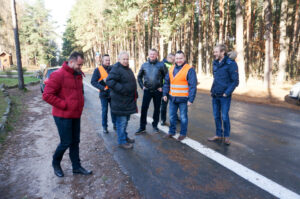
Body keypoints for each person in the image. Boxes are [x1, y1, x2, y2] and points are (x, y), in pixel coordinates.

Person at [42, 52, 92, 177]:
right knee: (66, 142)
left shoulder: (77, 74)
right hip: (62, 115)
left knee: (75, 141)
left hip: (75, 114)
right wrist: (65, 105)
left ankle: (76, 167)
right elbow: (47, 95)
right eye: (79, 64)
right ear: (71, 62)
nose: (81, 67)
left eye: (82, 65)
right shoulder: (57, 75)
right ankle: (56, 163)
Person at [208, 44, 239, 145]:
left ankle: (226, 136)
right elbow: (216, 78)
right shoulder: (215, 63)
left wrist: (227, 93)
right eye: (214, 52)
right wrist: (212, 89)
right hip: (215, 94)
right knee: (216, 116)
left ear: (222, 52)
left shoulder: (231, 64)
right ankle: (218, 134)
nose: (214, 54)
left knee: (224, 116)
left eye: (216, 52)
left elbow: (235, 81)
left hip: (225, 96)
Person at [163, 50, 197, 141]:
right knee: (172, 116)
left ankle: (183, 133)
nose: (179, 60)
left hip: (183, 99)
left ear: (184, 58)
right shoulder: (171, 68)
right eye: (177, 58)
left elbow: (193, 86)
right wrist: (165, 93)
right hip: (172, 98)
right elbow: (166, 82)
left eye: (181, 58)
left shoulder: (189, 69)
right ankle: (171, 131)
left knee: (183, 117)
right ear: (174, 59)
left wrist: (191, 99)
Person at [106, 52, 137, 149]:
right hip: (120, 101)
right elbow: (110, 81)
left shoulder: (127, 69)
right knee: (121, 122)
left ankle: (124, 136)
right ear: (119, 59)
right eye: (123, 59)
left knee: (125, 121)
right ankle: (121, 141)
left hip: (127, 101)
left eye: (127, 59)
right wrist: (123, 89)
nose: (126, 61)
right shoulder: (116, 68)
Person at [135, 48, 166, 134]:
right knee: (144, 109)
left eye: (154, 54)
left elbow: (167, 77)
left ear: (157, 55)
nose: (152, 55)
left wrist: (162, 87)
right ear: (148, 55)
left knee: (157, 109)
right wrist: (142, 86)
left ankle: (155, 126)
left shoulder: (161, 65)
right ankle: (142, 127)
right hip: (147, 91)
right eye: (151, 54)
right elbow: (139, 77)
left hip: (157, 91)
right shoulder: (144, 65)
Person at [91, 54, 116, 134]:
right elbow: (93, 82)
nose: (108, 62)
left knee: (114, 110)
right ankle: (105, 127)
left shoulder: (113, 68)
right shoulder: (97, 70)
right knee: (104, 111)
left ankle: (115, 124)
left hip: (112, 93)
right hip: (104, 94)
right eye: (106, 60)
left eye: (109, 60)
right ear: (102, 61)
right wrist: (102, 88)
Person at [160, 53, 175, 126]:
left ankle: (176, 117)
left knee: (175, 103)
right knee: (164, 105)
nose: (174, 60)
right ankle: (163, 120)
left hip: (172, 88)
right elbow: (158, 77)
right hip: (164, 88)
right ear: (168, 58)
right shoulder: (162, 64)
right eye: (173, 59)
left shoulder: (173, 65)